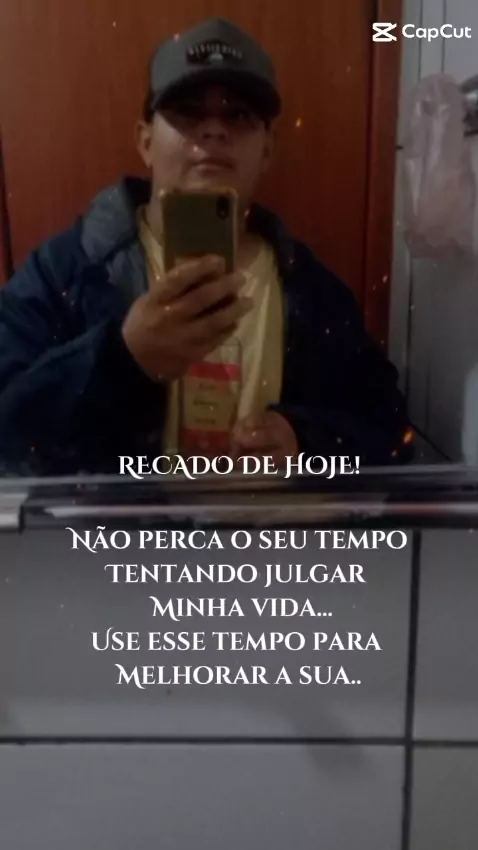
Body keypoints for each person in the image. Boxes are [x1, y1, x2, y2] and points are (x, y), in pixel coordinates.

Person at [0, 17, 413, 475]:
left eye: (239, 115)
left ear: (267, 150)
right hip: (121, 525)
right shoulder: (67, 272)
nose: (214, 130)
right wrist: (124, 359)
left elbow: (390, 432)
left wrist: (305, 442)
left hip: (270, 524)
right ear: (145, 142)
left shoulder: (314, 293)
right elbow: (7, 436)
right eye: (188, 111)